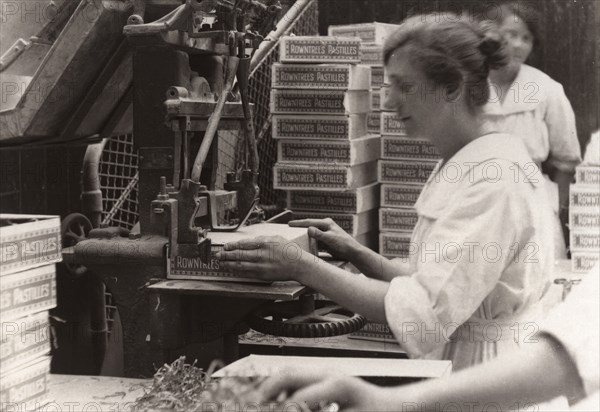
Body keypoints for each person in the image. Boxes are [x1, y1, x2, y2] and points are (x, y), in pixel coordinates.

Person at [217, 14, 554, 371]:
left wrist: (302, 266)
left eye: (405, 87)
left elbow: (425, 315)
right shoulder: (469, 162)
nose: (389, 102)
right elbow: (443, 285)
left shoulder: (493, 179)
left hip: (490, 376)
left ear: (453, 87)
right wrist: (361, 255)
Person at [259, 263, 600, 412]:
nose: (392, 109)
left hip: (487, 356)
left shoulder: (496, 181)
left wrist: (306, 268)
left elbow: (568, 358)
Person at [483, 1, 582, 258]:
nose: (518, 45)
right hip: (478, 205)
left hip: (532, 208)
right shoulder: (468, 85)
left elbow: (566, 161)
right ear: (491, 36)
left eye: (526, 38)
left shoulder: (547, 89)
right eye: (511, 35)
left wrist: (551, 207)